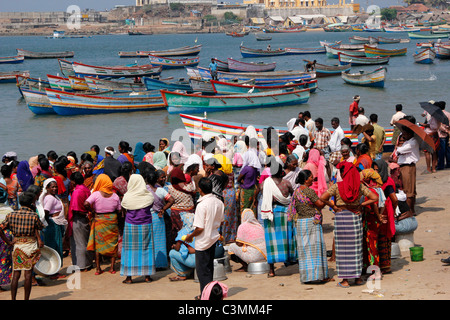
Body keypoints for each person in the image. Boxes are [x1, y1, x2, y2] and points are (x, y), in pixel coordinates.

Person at [320, 162, 378, 288]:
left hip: (341, 218)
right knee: (356, 248)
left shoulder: (337, 186)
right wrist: (361, 205)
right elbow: (374, 197)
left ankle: (345, 280)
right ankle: (357, 278)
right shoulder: (359, 186)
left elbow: (323, 197)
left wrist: (334, 207)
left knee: (343, 250)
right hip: (355, 216)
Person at [184, 177, 224, 300]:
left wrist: (190, 236)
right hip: (213, 239)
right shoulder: (219, 202)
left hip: (203, 241)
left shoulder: (202, 205)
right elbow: (221, 222)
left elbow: (199, 228)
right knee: (209, 269)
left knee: (203, 272)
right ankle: (208, 294)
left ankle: (205, 296)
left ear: (200, 189)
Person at [287, 170, 330, 283]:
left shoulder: (296, 191)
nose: (313, 179)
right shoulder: (309, 191)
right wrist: (327, 197)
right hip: (312, 222)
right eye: (311, 177)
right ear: (306, 180)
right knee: (316, 250)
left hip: (301, 223)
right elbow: (320, 204)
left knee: (305, 250)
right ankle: (319, 276)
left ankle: (307, 277)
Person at [0, 192, 44, 300]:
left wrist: (8, 242)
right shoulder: (34, 216)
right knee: (28, 274)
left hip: (17, 246)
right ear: (31, 203)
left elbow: (1, 228)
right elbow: (40, 227)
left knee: (16, 274)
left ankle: (13, 298)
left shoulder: (11, 215)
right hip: (30, 246)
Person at [260, 163, 295, 277]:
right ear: (281, 172)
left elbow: (264, 196)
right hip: (285, 213)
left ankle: (271, 270)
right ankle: (288, 260)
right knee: (286, 239)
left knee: (271, 242)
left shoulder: (265, 184)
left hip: (270, 214)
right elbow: (293, 196)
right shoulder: (287, 183)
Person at [120, 174, 155, 284]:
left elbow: (124, 208)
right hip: (145, 225)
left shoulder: (127, 197)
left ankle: (129, 278)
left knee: (129, 251)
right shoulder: (148, 196)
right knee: (147, 249)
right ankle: (147, 276)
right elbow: (150, 206)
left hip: (131, 225)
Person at [85, 174, 121, 275]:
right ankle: (112, 268)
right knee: (113, 244)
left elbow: (86, 203)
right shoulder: (115, 196)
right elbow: (119, 210)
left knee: (98, 245)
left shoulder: (95, 194)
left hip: (99, 220)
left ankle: (98, 268)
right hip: (112, 221)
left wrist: (92, 211)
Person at [146, 170, 174, 269]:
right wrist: (163, 209)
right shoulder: (161, 190)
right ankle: (161, 264)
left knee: (149, 241)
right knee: (160, 241)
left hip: (147, 218)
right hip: (159, 217)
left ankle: (151, 264)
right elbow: (171, 200)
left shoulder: (145, 190)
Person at [40, 178, 68, 278]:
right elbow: (46, 212)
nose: (55, 188)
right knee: (54, 247)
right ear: (47, 188)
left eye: (56, 186)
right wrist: (49, 221)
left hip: (55, 223)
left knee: (55, 246)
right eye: (52, 187)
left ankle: (53, 271)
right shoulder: (50, 198)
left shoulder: (54, 196)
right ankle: (53, 272)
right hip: (53, 224)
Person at [374, 159, 397, 274]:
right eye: (374, 169)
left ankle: (385, 265)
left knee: (384, 237)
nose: (375, 172)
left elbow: (394, 199)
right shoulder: (375, 182)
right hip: (378, 211)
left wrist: (393, 209)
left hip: (385, 212)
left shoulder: (387, 183)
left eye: (377, 170)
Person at [68, 172, 93, 272]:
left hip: (79, 218)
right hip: (86, 218)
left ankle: (82, 265)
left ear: (74, 181)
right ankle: (88, 262)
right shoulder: (86, 189)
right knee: (85, 241)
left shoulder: (77, 192)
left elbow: (76, 208)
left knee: (79, 243)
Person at [167, 166, 196, 248]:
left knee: (178, 233)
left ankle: (177, 247)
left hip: (176, 214)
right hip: (189, 213)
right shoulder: (189, 186)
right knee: (189, 231)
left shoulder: (170, 188)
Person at [394, 124, 420, 214]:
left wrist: (398, 149)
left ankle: (409, 211)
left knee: (409, 190)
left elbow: (400, 150)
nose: (403, 134)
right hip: (404, 166)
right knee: (407, 189)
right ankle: (410, 210)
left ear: (409, 133)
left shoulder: (412, 142)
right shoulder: (407, 141)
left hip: (408, 167)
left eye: (404, 133)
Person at [168, 210, 196, 281]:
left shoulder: (183, 232)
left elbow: (177, 248)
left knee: (172, 253)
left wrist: (174, 246)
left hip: (193, 261)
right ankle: (191, 271)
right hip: (202, 258)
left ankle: (182, 274)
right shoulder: (197, 230)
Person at [436, 101, 450, 170]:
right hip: (448, 134)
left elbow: (439, 126)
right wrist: (448, 131)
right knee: (448, 150)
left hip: (441, 135)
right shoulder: (448, 114)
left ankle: (441, 165)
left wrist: (445, 131)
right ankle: (448, 164)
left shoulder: (438, 115)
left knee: (441, 151)